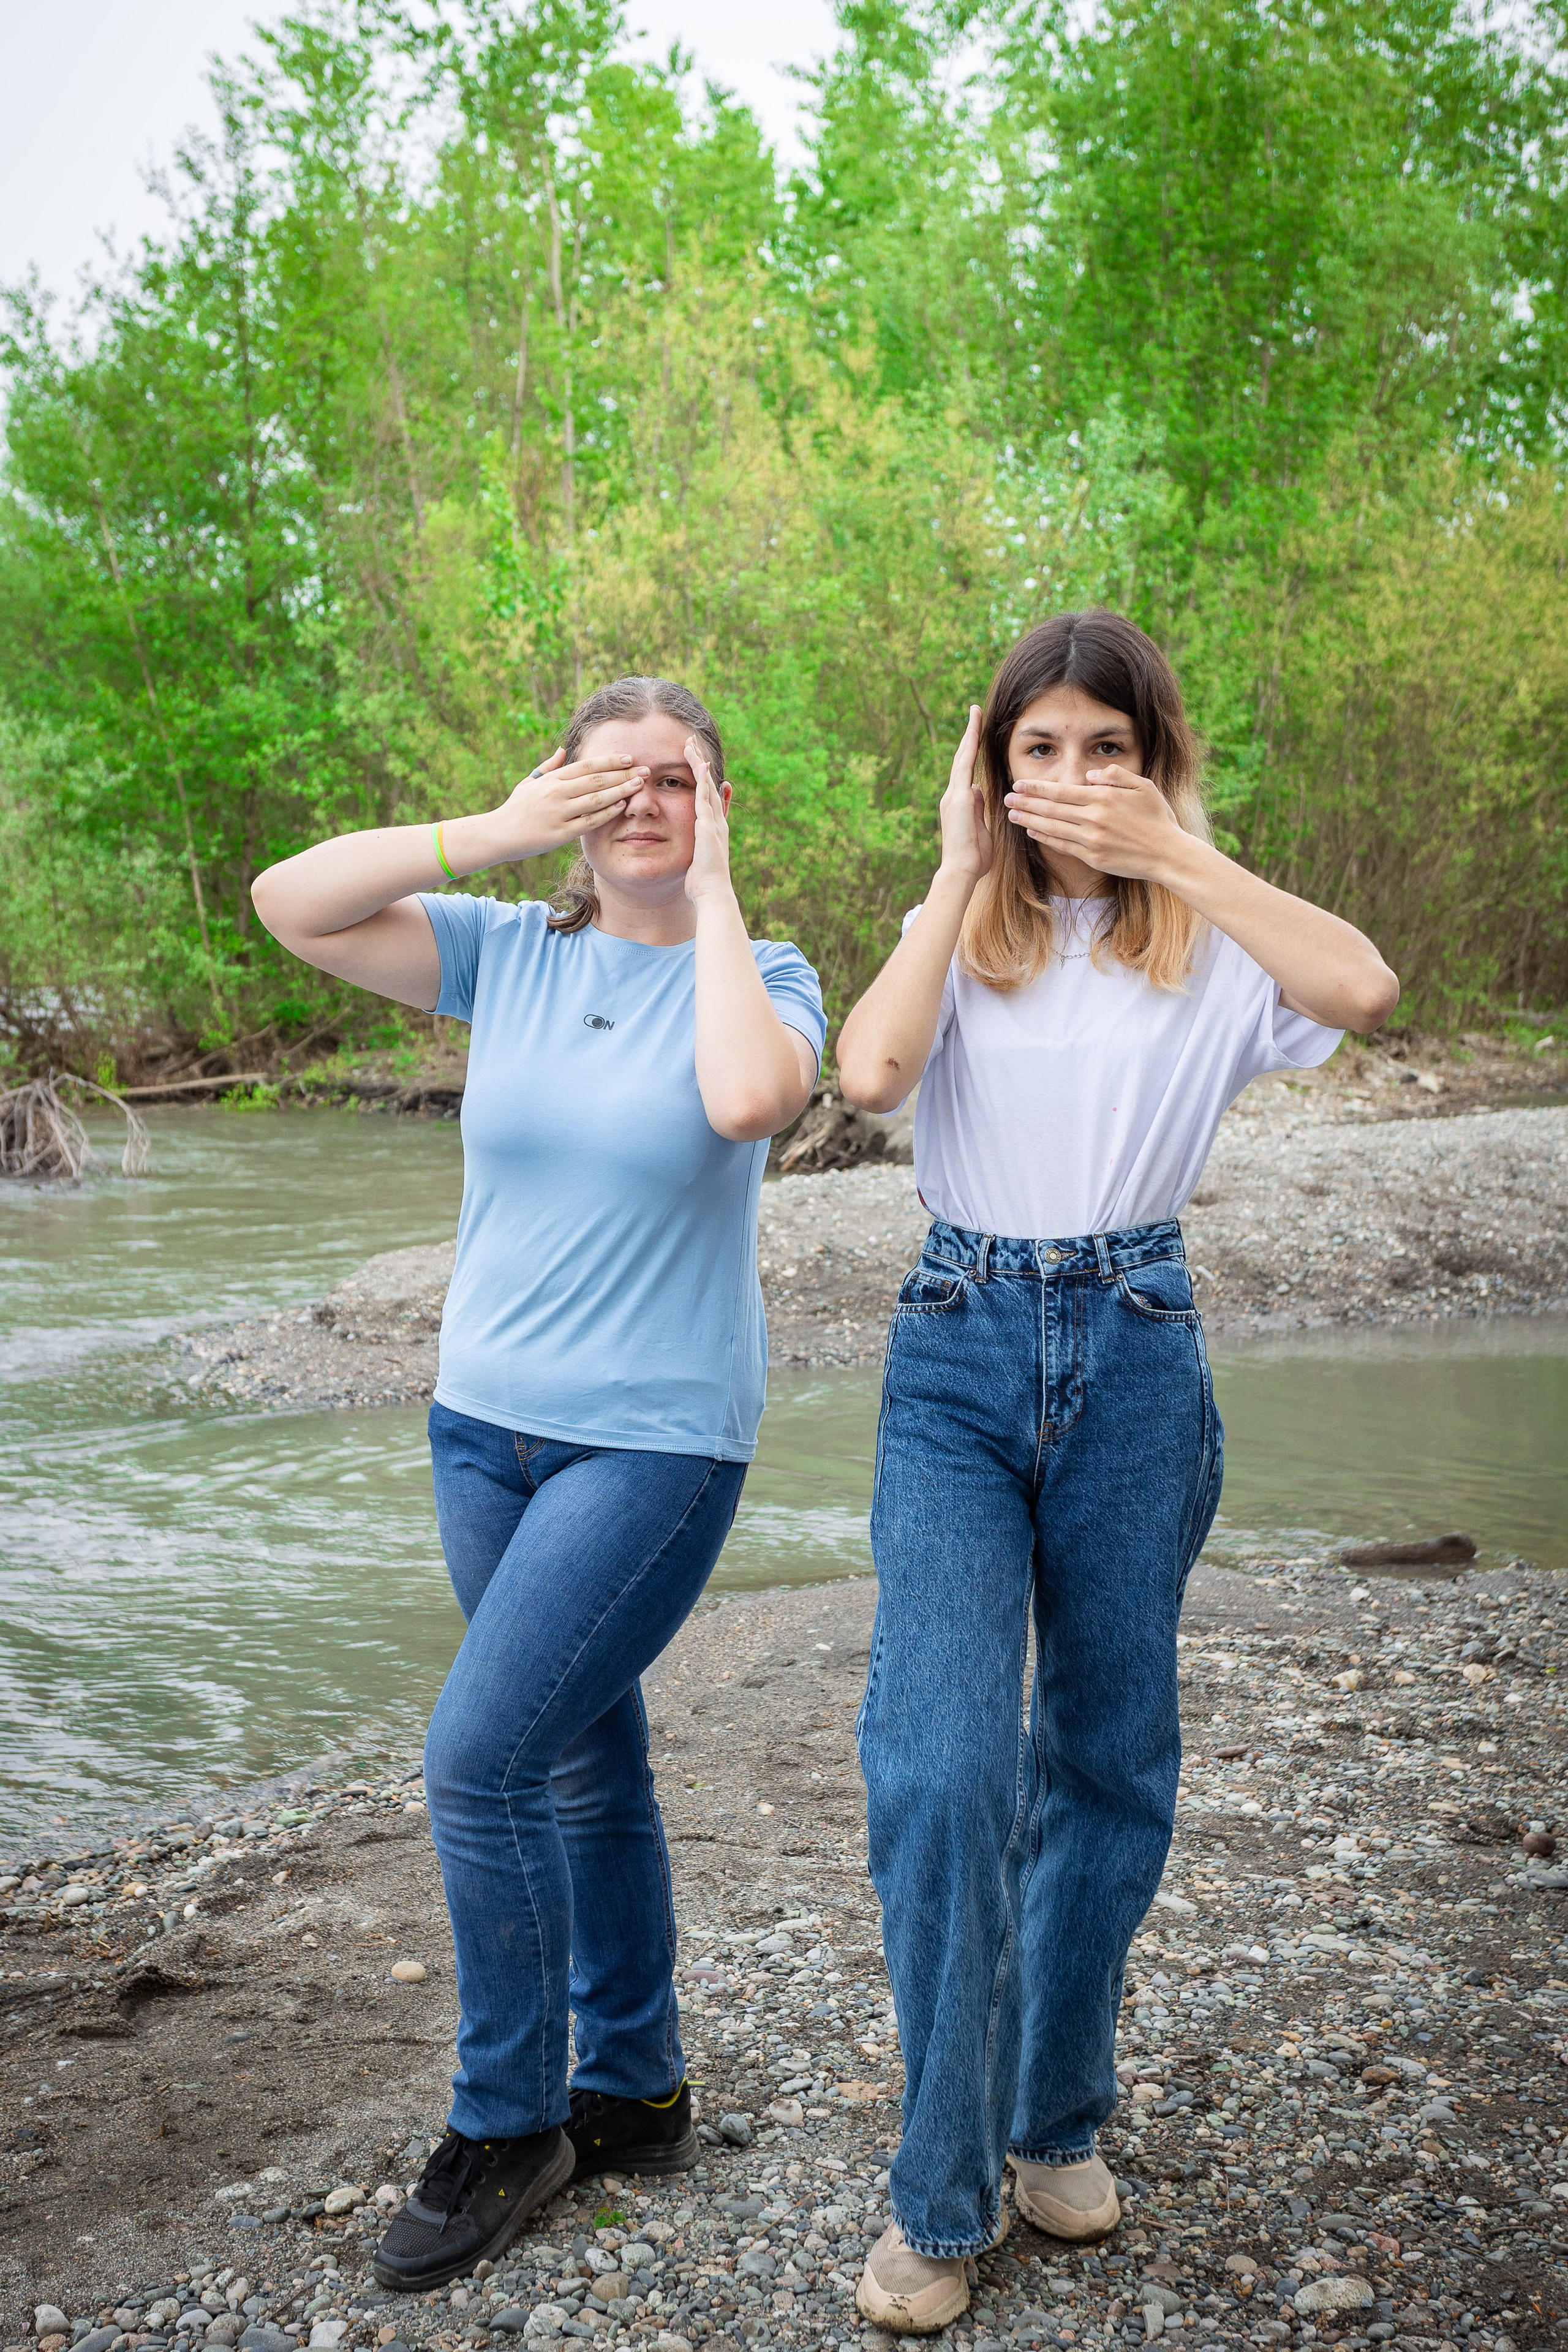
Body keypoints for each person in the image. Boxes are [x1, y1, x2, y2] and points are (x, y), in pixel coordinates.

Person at [834, 610, 1398, 2334]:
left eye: (1108, 748)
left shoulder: (1207, 943)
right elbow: (866, 1078)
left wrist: (1181, 854)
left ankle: (1052, 2115)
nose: (1073, 781)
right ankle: (942, 2198)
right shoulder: (964, 927)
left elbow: (1364, 988)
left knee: (1106, 1759)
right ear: (991, 768)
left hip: (1140, 1347)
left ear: (1155, 759)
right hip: (957, 1343)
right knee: (938, 1768)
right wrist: (948, 872)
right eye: (1040, 750)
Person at [251, 676, 824, 2287]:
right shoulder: (507, 949)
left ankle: (510, 2120)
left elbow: (745, 1100)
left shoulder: (765, 975)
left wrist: (708, 891)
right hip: (480, 1429)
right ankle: (634, 2085)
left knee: (476, 1759)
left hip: (653, 1445)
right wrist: (493, 833)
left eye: (679, 781)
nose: (644, 803)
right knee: (578, 1757)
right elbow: (287, 904)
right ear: (566, 794)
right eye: (611, 779)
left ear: (720, 807)